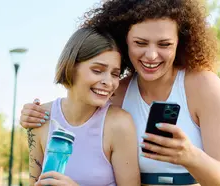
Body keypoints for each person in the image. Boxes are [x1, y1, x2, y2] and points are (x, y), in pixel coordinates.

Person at [21, 0, 220, 185]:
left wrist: (189, 156)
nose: (151, 55)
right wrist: (34, 113)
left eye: (164, 44)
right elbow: (76, 112)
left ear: (180, 43)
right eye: (140, 43)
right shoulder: (116, 91)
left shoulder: (202, 85)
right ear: (123, 40)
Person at [27, 27, 140, 186]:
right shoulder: (40, 118)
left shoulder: (119, 124)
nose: (108, 82)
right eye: (97, 70)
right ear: (72, 67)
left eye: (115, 74)